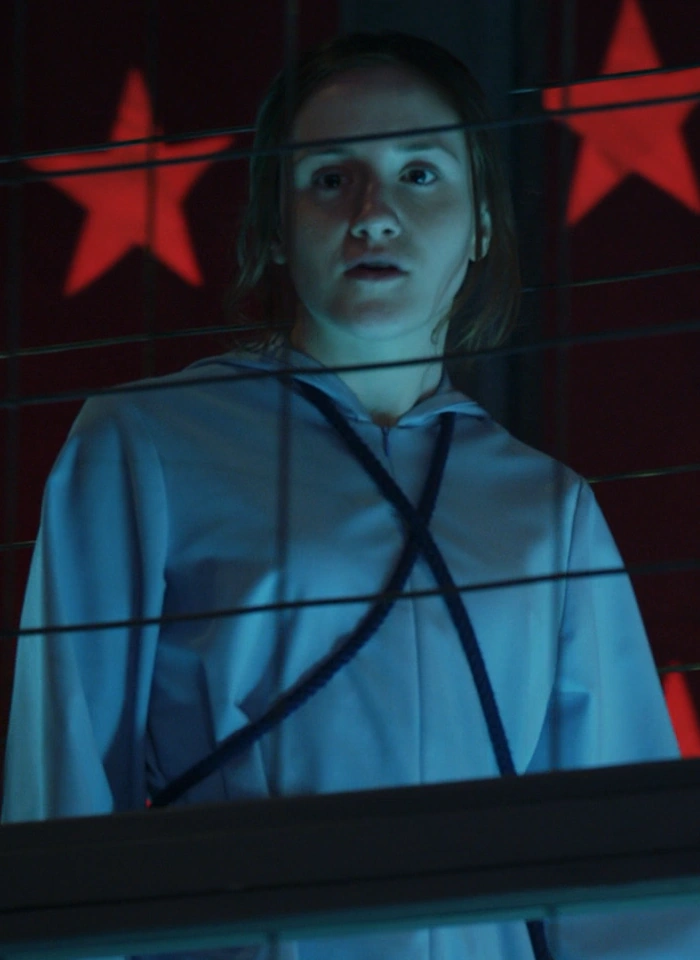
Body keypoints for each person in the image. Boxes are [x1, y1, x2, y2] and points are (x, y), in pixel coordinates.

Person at [1, 30, 697, 960]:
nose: (375, 214)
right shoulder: (144, 443)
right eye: (331, 178)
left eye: (420, 173)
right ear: (274, 224)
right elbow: (61, 785)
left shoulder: (549, 507)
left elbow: (627, 874)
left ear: (482, 222)